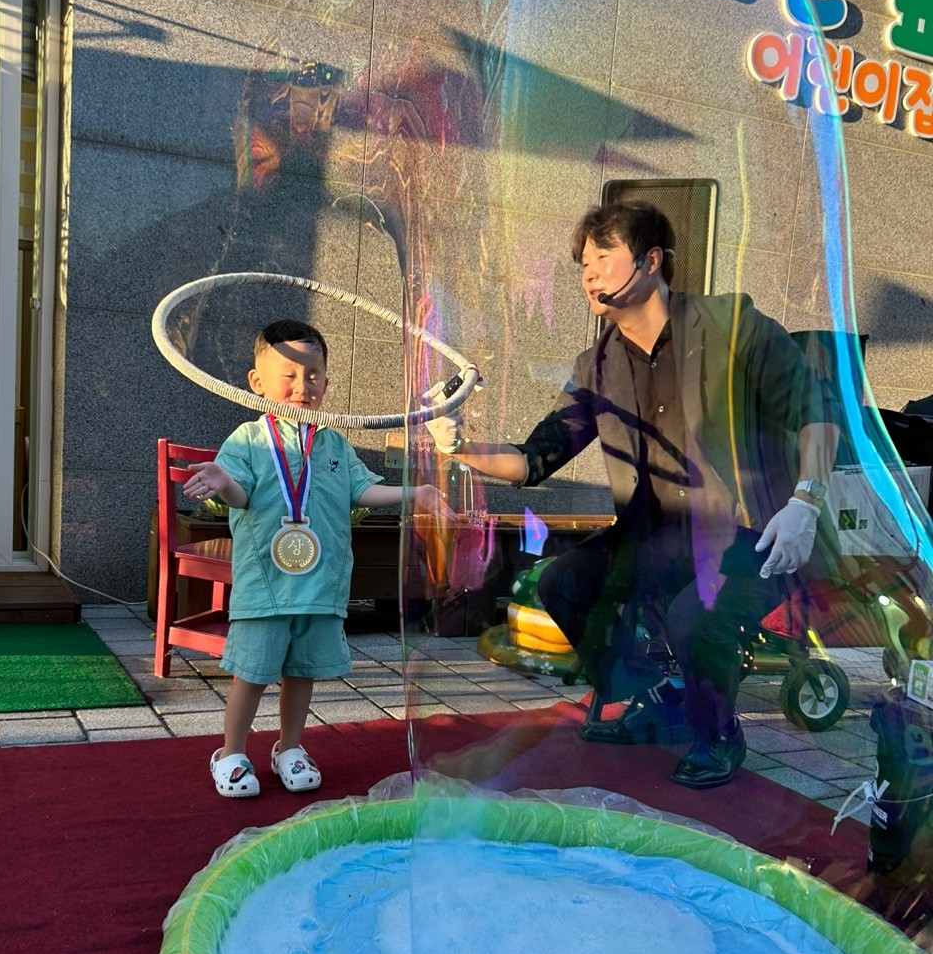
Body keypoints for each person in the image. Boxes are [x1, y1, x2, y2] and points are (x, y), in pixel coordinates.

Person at [425, 201, 840, 788]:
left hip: (761, 534)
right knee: (562, 583)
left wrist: (806, 502)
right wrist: (459, 445)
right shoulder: (598, 365)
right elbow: (537, 457)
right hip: (660, 538)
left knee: (694, 618)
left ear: (651, 261)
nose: (588, 273)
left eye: (602, 256)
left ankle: (718, 734)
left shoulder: (732, 326)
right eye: (582, 263)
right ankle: (662, 696)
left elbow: (817, 411)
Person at [184, 319, 441, 798]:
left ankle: (289, 747)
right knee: (253, 671)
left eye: (314, 375)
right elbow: (241, 495)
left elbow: (362, 489)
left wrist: (416, 493)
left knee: (302, 670)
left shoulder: (334, 442)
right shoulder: (249, 438)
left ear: (326, 381)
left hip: (320, 583)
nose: (304, 386)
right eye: (289, 374)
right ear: (256, 382)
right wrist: (223, 482)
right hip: (267, 583)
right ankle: (231, 752)